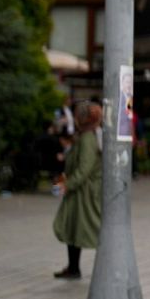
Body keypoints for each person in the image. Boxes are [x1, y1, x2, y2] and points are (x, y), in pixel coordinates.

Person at [52, 102, 102, 279]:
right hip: (81, 190)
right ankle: (73, 267)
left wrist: (68, 184)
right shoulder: (88, 135)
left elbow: (85, 167)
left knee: (89, 228)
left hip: (84, 192)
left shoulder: (88, 138)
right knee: (73, 227)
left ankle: (81, 268)